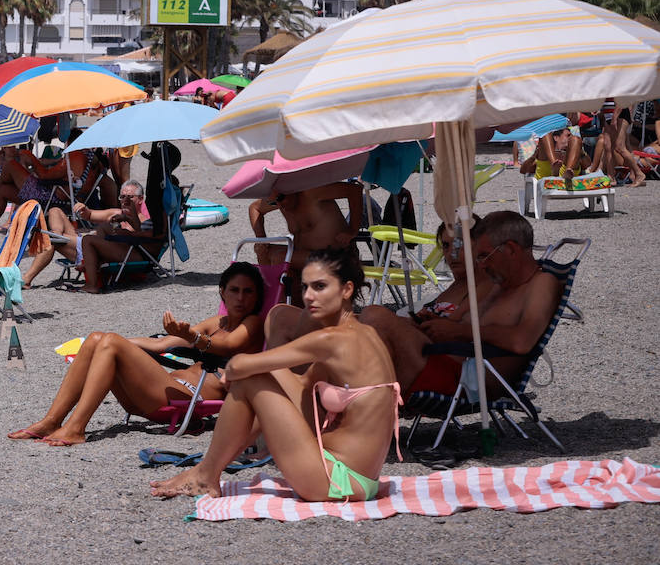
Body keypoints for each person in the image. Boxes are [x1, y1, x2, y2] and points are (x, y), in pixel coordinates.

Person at [150, 248, 400, 503]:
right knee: (257, 377)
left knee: (250, 379)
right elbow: (302, 385)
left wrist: (242, 371)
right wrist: (255, 372)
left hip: (336, 480)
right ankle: (208, 468)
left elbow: (239, 365)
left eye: (320, 287)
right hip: (360, 479)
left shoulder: (331, 339)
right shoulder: (364, 333)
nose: (309, 296)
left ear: (346, 290)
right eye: (305, 287)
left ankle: (206, 474)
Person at [8, 262, 267, 446]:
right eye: (234, 290)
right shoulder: (218, 322)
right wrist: (104, 344)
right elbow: (162, 344)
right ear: (222, 292)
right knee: (98, 338)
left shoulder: (253, 324)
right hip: (161, 391)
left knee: (110, 341)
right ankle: (51, 421)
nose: (240, 298)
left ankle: (76, 428)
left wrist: (192, 337)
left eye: (248, 292)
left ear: (257, 297)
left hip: (184, 399)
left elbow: (228, 346)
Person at [359, 210, 563, 396]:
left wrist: (459, 331)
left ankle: (362, 409)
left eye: (484, 256)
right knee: (361, 327)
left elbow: (521, 341)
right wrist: (438, 324)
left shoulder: (541, 283)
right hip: (447, 363)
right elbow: (464, 326)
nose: (481, 264)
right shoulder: (500, 285)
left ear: (510, 249)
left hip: (467, 381)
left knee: (375, 316)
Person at [250, 181, 365, 304]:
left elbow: (354, 190)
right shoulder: (281, 201)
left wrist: (353, 229)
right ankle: (280, 302)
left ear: (291, 189)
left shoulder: (312, 192)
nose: (279, 205)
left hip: (334, 257)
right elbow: (254, 208)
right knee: (263, 251)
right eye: (273, 203)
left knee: (280, 257)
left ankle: (280, 301)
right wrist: (261, 238)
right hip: (304, 258)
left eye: (280, 198)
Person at [518, 128, 584, 182]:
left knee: (576, 139)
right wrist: (534, 155)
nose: (570, 138)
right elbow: (523, 170)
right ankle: (554, 165)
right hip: (547, 174)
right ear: (556, 137)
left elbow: (587, 166)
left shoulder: (574, 152)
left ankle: (567, 170)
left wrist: (578, 149)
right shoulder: (544, 152)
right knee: (545, 133)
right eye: (568, 135)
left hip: (567, 174)